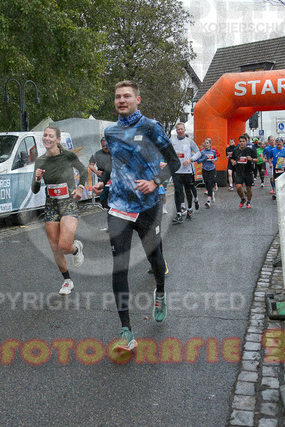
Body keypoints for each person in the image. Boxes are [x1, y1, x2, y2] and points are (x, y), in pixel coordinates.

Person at [92, 80, 180, 350]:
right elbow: (116, 162)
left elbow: (174, 162)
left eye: (127, 96)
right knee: (119, 267)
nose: (121, 100)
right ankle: (126, 331)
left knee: (155, 259)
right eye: (118, 96)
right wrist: (103, 182)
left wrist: (154, 182)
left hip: (147, 206)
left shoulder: (151, 127)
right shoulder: (111, 131)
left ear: (137, 99)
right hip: (119, 207)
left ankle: (160, 292)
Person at [32, 125, 87, 296]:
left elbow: (83, 171)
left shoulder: (68, 156)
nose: (47, 138)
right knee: (55, 247)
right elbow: (34, 189)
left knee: (64, 245)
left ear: (57, 140)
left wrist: (80, 188)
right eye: (45, 135)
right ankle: (67, 280)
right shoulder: (40, 161)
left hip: (68, 203)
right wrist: (37, 179)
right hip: (51, 205)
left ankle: (75, 249)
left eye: (50, 136)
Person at [170, 122, 201, 223]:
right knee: (177, 192)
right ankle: (179, 213)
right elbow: (169, 154)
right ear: (176, 130)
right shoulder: (172, 142)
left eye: (181, 129)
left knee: (188, 191)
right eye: (178, 129)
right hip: (177, 171)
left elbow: (198, 153)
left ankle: (189, 210)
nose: (180, 131)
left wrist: (190, 160)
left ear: (184, 130)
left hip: (187, 171)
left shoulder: (189, 141)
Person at [230, 134, 258, 208]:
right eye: (240, 141)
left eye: (243, 141)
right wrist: (233, 162)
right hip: (239, 172)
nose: (242, 143)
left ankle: (248, 202)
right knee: (238, 187)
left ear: (246, 142)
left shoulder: (250, 150)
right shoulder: (235, 150)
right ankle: (242, 198)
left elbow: (257, 160)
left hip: (248, 171)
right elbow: (232, 159)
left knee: (248, 188)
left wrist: (251, 159)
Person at [88, 136, 112, 209]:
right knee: (104, 201)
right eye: (103, 146)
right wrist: (96, 171)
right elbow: (90, 165)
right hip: (102, 180)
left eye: (107, 146)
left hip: (114, 180)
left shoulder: (115, 153)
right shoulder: (97, 154)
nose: (105, 148)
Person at [196, 138, 217, 208]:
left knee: (210, 183)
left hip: (212, 169)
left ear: (210, 144)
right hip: (205, 169)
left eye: (207, 143)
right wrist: (204, 158)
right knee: (206, 183)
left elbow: (216, 158)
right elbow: (198, 161)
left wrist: (214, 160)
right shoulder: (202, 152)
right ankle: (211, 193)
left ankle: (208, 201)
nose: (206, 144)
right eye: (205, 143)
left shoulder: (213, 151)